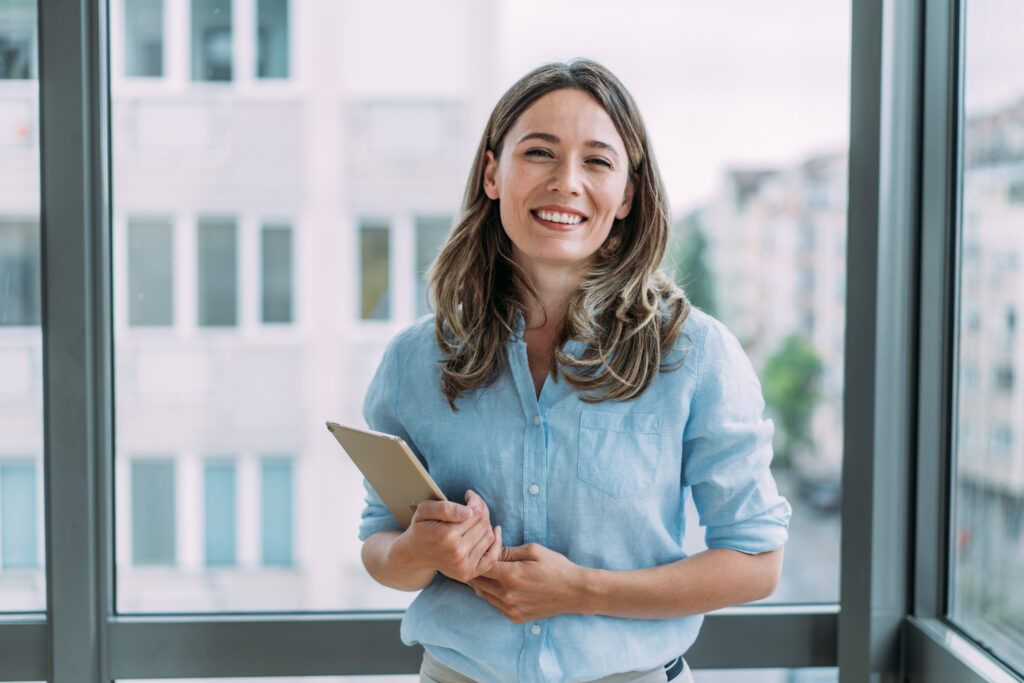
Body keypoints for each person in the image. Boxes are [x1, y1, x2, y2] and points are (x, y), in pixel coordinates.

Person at [358, 58, 791, 683]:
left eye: (597, 160)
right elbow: (380, 547)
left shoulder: (696, 356)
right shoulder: (413, 361)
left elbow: (757, 562)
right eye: (539, 152)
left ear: (627, 196)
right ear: (492, 174)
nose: (566, 182)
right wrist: (417, 552)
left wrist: (582, 590)